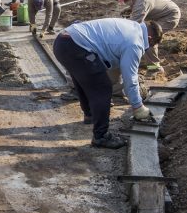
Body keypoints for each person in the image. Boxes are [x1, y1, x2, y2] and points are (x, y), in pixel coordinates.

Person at [53, 17, 164, 149]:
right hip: (75, 45)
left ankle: (91, 115)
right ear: (150, 38)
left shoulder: (131, 26)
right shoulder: (136, 43)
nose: (148, 49)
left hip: (63, 41)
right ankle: (101, 137)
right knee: (103, 88)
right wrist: (137, 106)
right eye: (150, 46)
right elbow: (131, 78)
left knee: (85, 78)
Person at [117, 0, 181, 78]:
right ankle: (149, 61)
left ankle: (155, 68)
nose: (125, 2)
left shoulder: (142, 3)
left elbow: (133, 26)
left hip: (169, 17)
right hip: (158, 15)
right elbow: (144, 3)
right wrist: (130, 8)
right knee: (146, 37)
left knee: (148, 39)